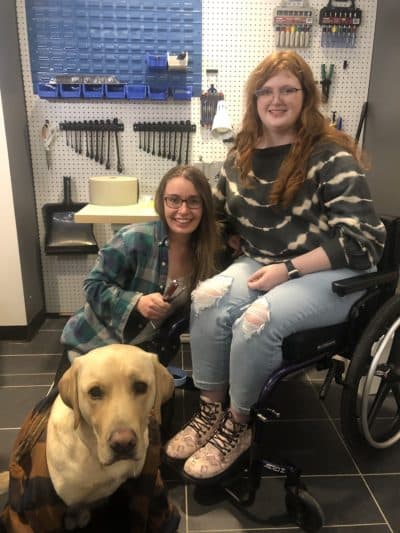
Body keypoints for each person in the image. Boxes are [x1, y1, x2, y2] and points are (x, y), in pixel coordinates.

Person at [164, 51, 386, 481]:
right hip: (263, 262)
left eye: (288, 89)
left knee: (257, 320)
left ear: (307, 96)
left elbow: (364, 239)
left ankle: (238, 424)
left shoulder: (330, 156)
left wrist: (290, 270)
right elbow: (224, 210)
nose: (276, 99)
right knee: (206, 297)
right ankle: (210, 411)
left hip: (333, 273)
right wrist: (220, 227)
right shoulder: (240, 154)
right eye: (266, 91)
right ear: (253, 99)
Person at [60, 165, 218, 367]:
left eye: (194, 201)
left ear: (205, 205)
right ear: (162, 201)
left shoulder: (209, 250)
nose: (184, 210)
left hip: (144, 351)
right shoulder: (133, 239)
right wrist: (136, 302)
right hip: (96, 343)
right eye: (174, 200)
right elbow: (93, 286)